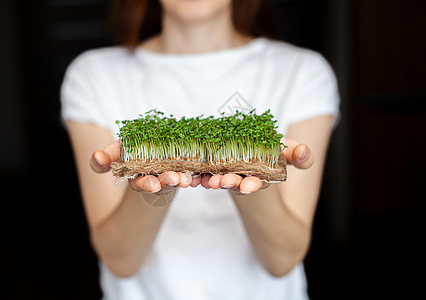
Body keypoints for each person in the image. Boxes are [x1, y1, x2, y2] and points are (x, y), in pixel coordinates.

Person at [61, 0, 339, 299]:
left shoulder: (303, 72)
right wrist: (157, 186)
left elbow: (281, 260)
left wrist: (251, 177)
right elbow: (121, 262)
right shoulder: (93, 74)